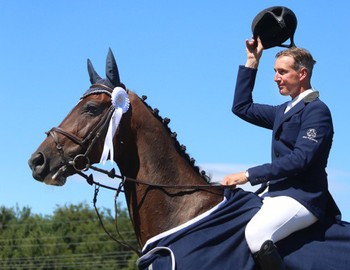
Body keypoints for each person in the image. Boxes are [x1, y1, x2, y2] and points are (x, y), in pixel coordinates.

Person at [222, 37, 340, 270]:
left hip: (303, 198)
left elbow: (300, 159)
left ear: (302, 74)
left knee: (256, 234)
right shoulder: (283, 111)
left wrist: (248, 174)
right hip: (276, 194)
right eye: (275, 72)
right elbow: (241, 107)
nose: (276, 78)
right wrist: (252, 61)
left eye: (283, 72)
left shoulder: (317, 110)